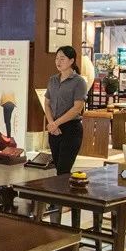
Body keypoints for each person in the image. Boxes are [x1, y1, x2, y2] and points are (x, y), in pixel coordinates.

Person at [44, 46, 87, 175]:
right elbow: (47, 103)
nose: (58, 62)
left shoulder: (79, 82)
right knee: (58, 168)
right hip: (54, 129)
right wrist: (51, 123)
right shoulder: (52, 80)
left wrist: (55, 124)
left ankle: (66, 188)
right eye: (57, 58)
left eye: (62, 59)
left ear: (71, 60)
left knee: (63, 170)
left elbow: (77, 108)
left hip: (71, 129)